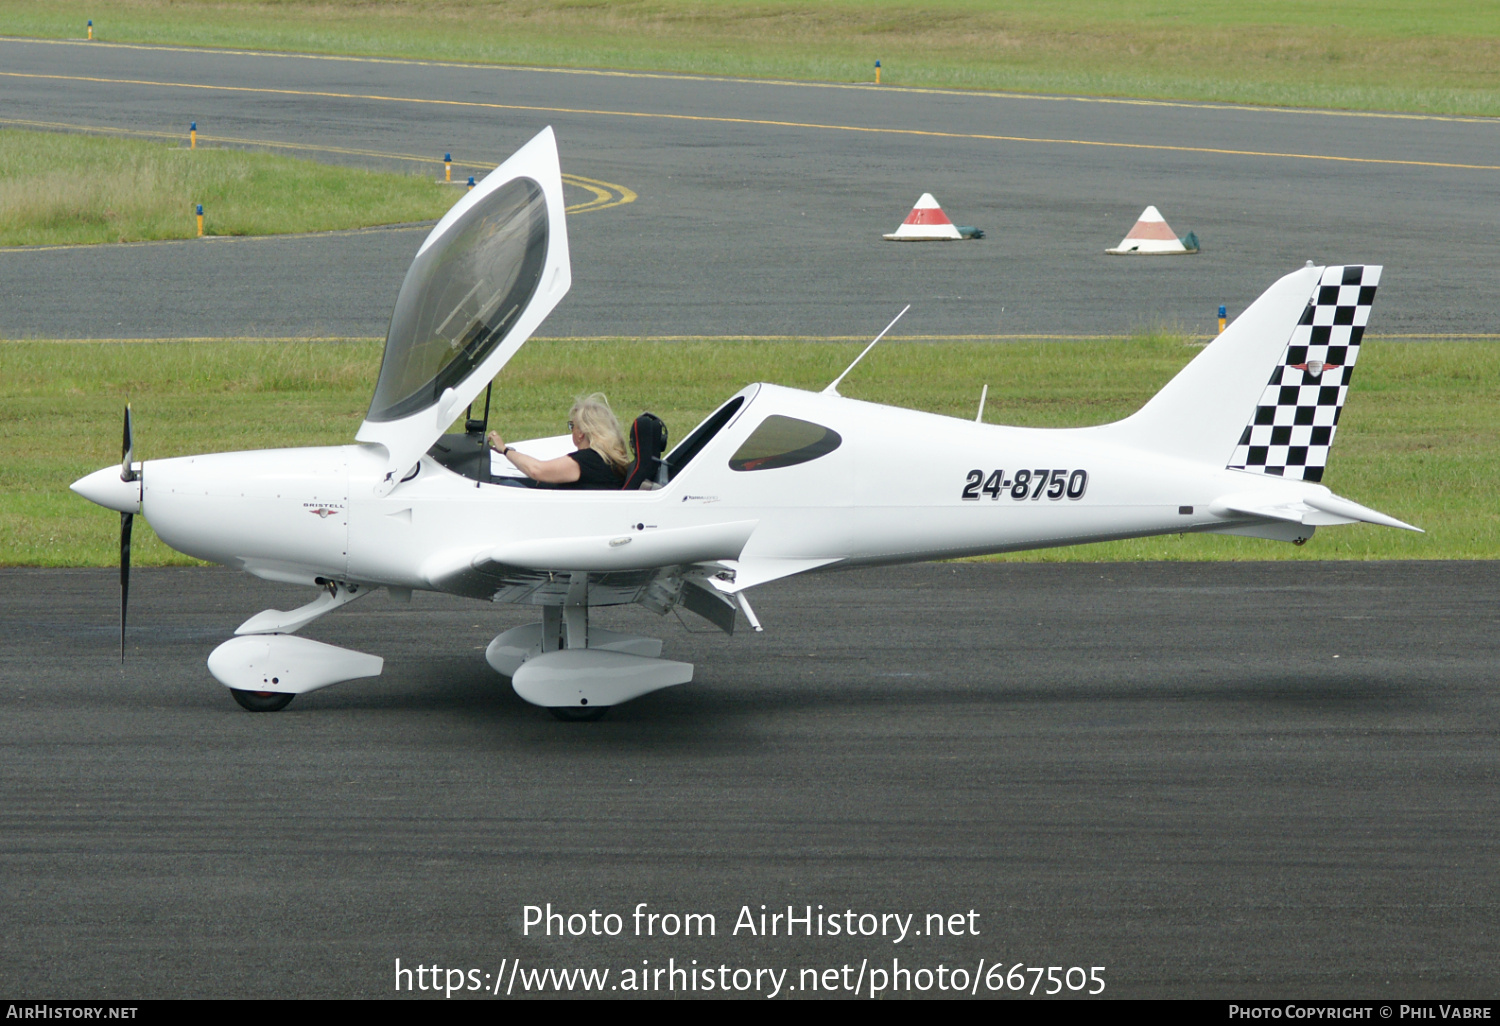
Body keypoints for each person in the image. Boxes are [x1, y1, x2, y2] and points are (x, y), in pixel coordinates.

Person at [487, 393, 629, 489]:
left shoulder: (588, 460)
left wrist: (504, 449)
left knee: (507, 485)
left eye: (572, 426)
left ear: (580, 433)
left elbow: (536, 470)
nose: (571, 430)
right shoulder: (609, 460)